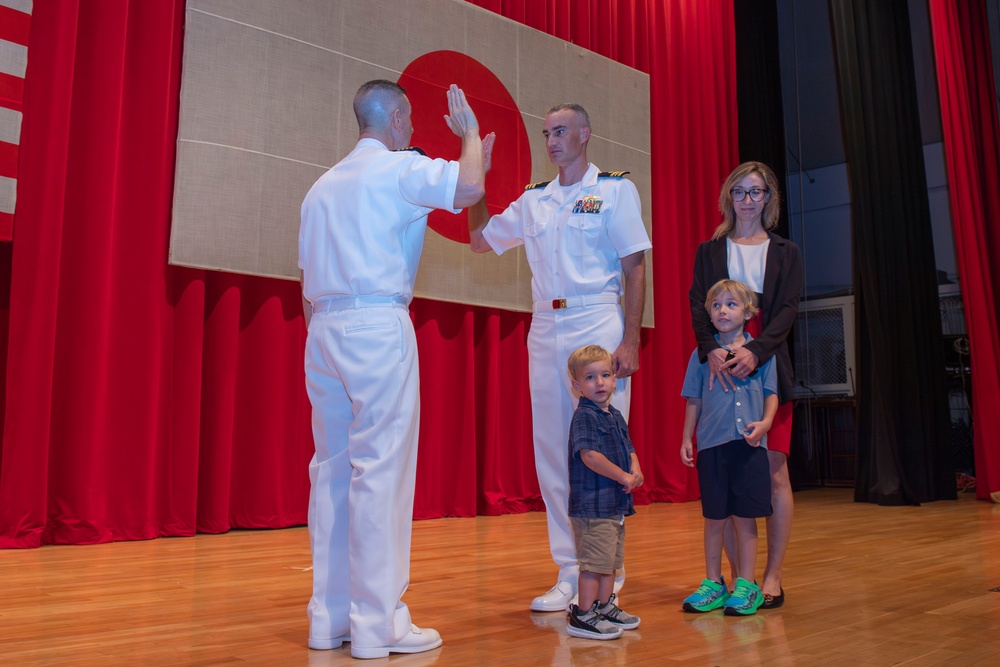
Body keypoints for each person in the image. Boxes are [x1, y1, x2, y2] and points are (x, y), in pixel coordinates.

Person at [298, 80, 491, 659]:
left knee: (331, 473)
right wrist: (472, 135)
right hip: (377, 327)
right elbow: (471, 185)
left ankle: (327, 618)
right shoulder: (400, 169)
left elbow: (304, 277)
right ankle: (378, 625)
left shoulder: (320, 186)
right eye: (410, 120)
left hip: (324, 331)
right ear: (400, 118)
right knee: (381, 475)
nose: (412, 130)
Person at [468, 104, 651, 612]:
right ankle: (570, 572)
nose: (551, 141)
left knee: (604, 447)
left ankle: (606, 570)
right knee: (553, 450)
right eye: (546, 133)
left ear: (585, 134)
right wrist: (476, 181)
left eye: (561, 131)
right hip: (546, 326)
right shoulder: (534, 201)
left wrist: (630, 338)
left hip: (597, 318)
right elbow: (479, 241)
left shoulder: (614, 190)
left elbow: (635, 266)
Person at [688, 161, 803, 609]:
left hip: (769, 370)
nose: (748, 200)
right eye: (740, 192)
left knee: (773, 474)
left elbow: (788, 311)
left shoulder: (786, 251)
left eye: (756, 192)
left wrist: (757, 352)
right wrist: (709, 349)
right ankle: (740, 583)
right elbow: (698, 305)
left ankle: (771, 577)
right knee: (730, 480)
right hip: (719, 375)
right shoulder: (710, 250)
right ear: (728, 198)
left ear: (768, 199)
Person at [680, 279, 778, 616]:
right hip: (712, 446)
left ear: (748, 312)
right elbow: (693, 398)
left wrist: (765, 424)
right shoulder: (702, 355)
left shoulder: (761, 353)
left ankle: (747, 585)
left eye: (731, 304)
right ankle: (713, 583)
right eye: (717, 304)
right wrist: (686, 438)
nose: (723, 310)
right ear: (709, 312)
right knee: (714, 518)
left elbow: (771, 393)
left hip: (749, 447)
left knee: (746, 518)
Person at [565, 345, 644, 640]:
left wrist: (635, 469)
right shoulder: (585, 416)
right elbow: (590, 456)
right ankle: (583, 614)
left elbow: (629, 447)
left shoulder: (614, 414)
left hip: (614, 503)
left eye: (605, 375)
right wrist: (623, 475)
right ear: (576, 386)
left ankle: (604, 606)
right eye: (590, 377)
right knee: (593, 564)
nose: (599, 383)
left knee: (610, 561)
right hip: (592, 506)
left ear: (614, 378)